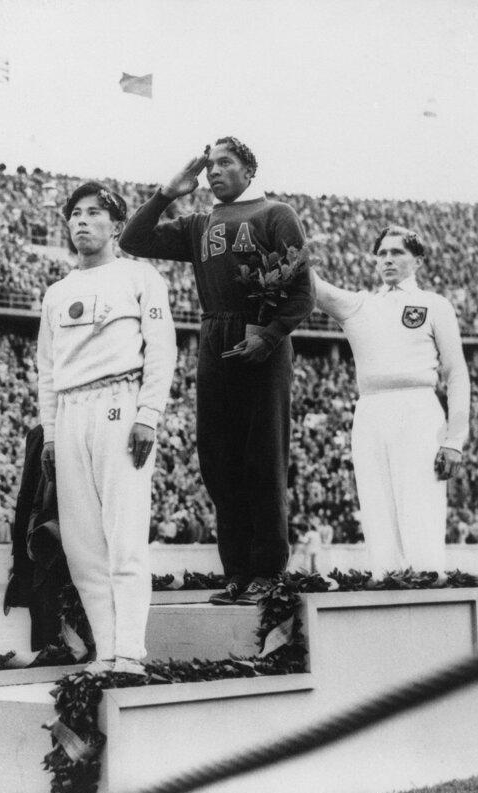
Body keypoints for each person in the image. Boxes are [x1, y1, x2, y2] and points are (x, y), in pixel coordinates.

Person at [120, 137, 314, 606]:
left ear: (250, 169)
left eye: (225, 163)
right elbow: (132, 240)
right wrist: (168, 193)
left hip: (262, 342)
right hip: (213, 335)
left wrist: (268, 337)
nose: (214, 172)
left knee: (263, 455)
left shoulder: (276, 214)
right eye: (209, 166)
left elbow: (302, 294)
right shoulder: (200, 223)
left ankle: (268, 570)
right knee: (218, 460)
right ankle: (237, 572)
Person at [37, 182, 177, 675]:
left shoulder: (140, 276)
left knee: (124, 534)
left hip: (121, 402)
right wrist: (50, 433)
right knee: (82, 545)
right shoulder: (56, 293)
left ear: (117, 226)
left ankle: (131, 653)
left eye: (94, 212)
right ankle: (106, 650)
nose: (81, 220)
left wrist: (148, 415)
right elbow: (47, 371)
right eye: (75, 213)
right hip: (72, 410)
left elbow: (162, 349)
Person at [312, 226, 470, 574]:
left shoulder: (433, 305)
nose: (387, 260)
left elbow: (457, 372)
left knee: (419, 506)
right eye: (381, 253)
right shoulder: (361, 304)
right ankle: (384, 582)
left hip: (418, 407)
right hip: (370, 409)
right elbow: (316, 290)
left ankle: (428, 584)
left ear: (418, 260)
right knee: (376, 507)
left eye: (396, 252)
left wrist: (455, 439)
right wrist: (297, 253)